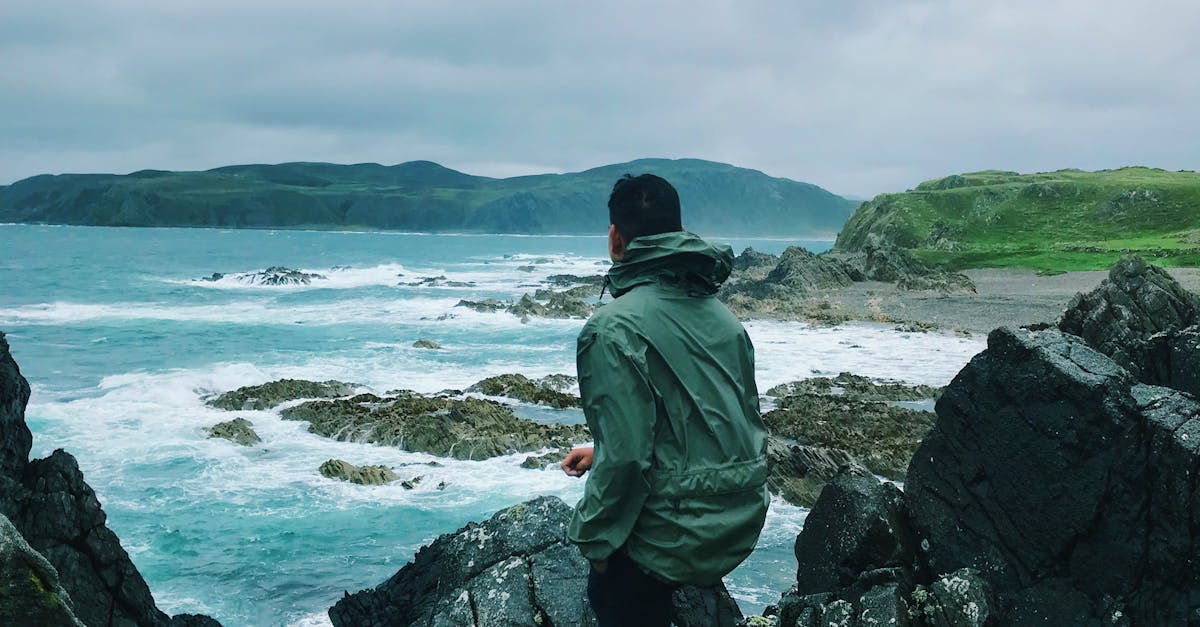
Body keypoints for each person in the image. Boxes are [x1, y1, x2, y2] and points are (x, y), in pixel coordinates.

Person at [561, 173, 769, 626]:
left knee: (608, 588)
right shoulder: (726, 321)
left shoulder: (611, 329)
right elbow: (724, 421)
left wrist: (594, 543)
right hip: (741, 518)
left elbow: (628, 459)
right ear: (679, 232)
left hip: (680, 535)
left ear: (616, 239)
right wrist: (602, 453)